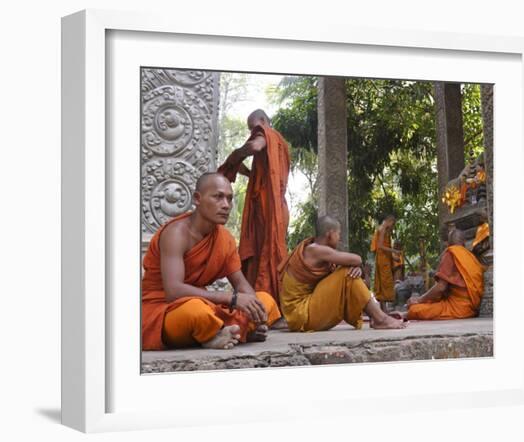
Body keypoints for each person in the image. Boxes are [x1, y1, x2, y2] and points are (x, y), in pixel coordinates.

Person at [141, 172, 282, 351]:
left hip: (205, 305)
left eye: (229, 199)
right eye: (218, 197)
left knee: (265, 299)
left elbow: (241, 285)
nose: (226, 205)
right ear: (197, 199)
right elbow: (173, 291)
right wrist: (231, 299)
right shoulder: (176, 234)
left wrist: (257, 313)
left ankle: (218, 332)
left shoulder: (225, 239)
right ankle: (224, 331)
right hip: (163, 310)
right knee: (196, 312)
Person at [278, 215, 407, 332]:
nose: (339, 238)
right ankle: (380, 319)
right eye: (338, 234)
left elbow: (337, 279)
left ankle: (377, 318)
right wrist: (353, 266)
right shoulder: (315, 249)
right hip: (301, 313)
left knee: (349, 274)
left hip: (304, 311)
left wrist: (356, 269)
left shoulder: (318, 252)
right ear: (330, 234)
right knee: (346, 272)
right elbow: (357, 259)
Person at [217, 109, 290, 303]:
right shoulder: (282, 144)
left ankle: (268, 302)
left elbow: (255, 146)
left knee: (267, 250)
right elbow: (263, 169)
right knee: (266, 250)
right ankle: (265, 300)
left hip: (267, 206)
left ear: (263, 122)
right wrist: (247, 171)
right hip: (277, 205)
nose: (253, 131)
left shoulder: (267, 134)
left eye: (254, 127)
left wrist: (235, 155)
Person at [405, 229, 486, 320]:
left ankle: (404, 314)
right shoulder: (471, 256)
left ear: (448, 243)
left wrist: (419, 300)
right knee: (427, 303)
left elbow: (440, 287)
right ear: (464, 242)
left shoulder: (451, 252)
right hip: (472, 308)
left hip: (457, 308)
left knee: (414, 309)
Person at [371, 214, 401, 311]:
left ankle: (383, 309)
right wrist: (394, 251)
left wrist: (393, 257)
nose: (392, 227)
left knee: (382, 282)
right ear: (389, 221)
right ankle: (384, 309)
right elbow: (380, 246)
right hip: (382, 259)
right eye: (393, 224)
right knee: (385, 282)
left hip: (384, 258)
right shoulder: (383, 228)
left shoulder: (383, 229)